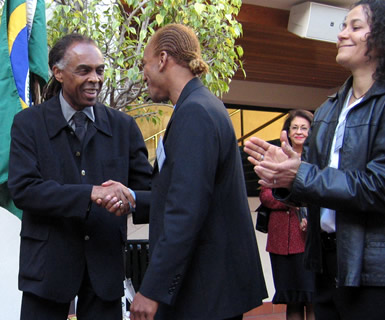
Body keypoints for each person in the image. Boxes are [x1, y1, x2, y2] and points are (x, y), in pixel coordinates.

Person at [244, 1, 385, 319]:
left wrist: (301, 175)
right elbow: (317, 184)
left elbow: (379, 185)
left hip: (374, 273)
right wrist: (284, 178)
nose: (342, 34)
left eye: (355, 26)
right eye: (342, 26)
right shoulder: (327, 111)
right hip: (325, 265)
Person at [8, 34, 152, 320]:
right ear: (57, 72)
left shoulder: (124, 127)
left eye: (99, 70)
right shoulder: (28, 124)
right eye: (84, 70)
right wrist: (90, 194)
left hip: (105, 271)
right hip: (46, 272)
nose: (95, 79)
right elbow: (23, 190)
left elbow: (150, 193)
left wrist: (129, 199)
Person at [129, 23, 268, 320]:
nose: (143, 74)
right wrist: (131, 197)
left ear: (163, 59)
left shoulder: (195, 112)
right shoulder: (200, 106)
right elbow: (184, 195)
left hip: (204, 293)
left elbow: (186, 209)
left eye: (145, 64)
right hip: (209, 290)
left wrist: (152, 288)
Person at [259, 110, 315, 320]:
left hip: (309, 239)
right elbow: (266, 195)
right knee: (291, 301)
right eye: (295, 127)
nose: (299, 132)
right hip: (281, 240)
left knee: (312, 299)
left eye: (304, 128)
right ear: (287, 132)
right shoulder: (276, 157)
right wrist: (293, 199)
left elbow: (323, 194)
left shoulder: (318, 159)